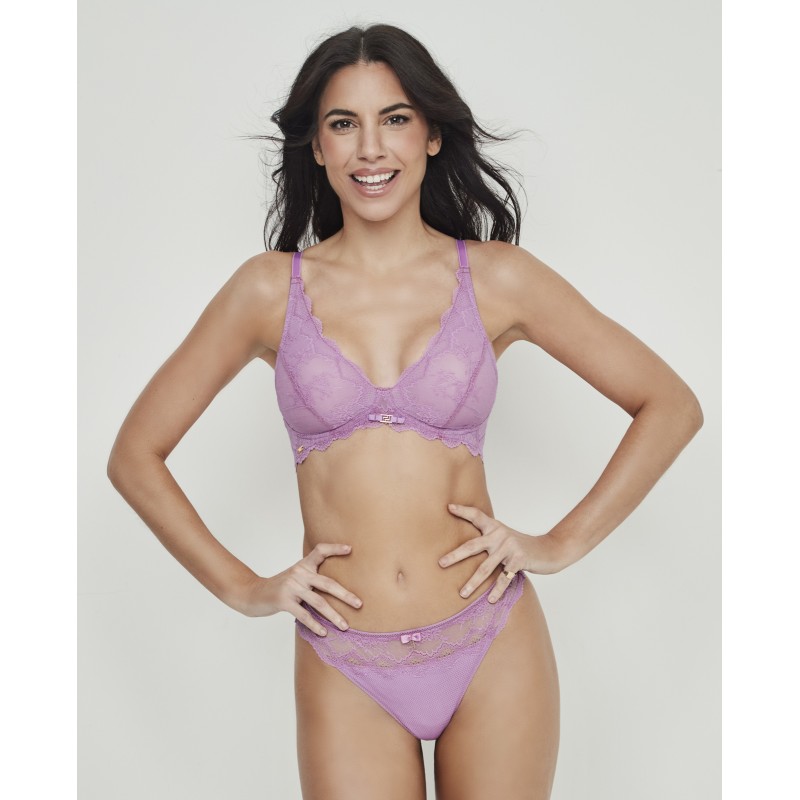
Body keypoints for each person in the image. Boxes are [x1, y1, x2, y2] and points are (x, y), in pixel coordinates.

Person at [107, 23, 703, 800]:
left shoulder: (499, 279)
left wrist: (561, 543)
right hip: (344, 657)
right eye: (343, 123)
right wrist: (243, 587)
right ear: (317, 146)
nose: (370, 148)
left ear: (430, 135)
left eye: (394, 119)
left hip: (491, 642)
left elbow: (670, 404)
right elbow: (135, 455)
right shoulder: (266, 290)